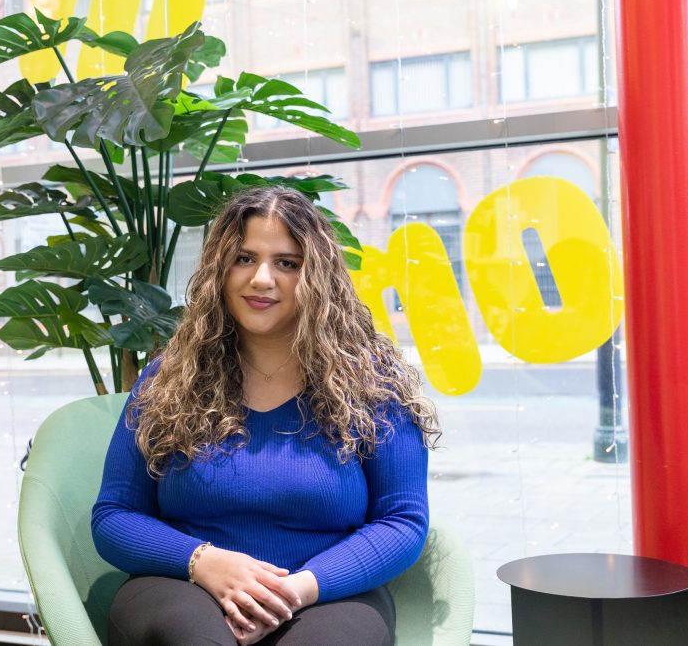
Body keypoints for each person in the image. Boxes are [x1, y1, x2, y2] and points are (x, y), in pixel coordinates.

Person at [92, 186, 440, 645]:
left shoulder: (373, 385)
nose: (261, 279)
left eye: (287, 263)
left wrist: (291, 592)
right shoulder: (169, 378)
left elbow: (402, 522)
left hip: (322, 593)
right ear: (219, 270)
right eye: (244, 258)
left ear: (318, 277)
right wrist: (204, 562)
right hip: (183, 584)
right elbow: (115, 516)